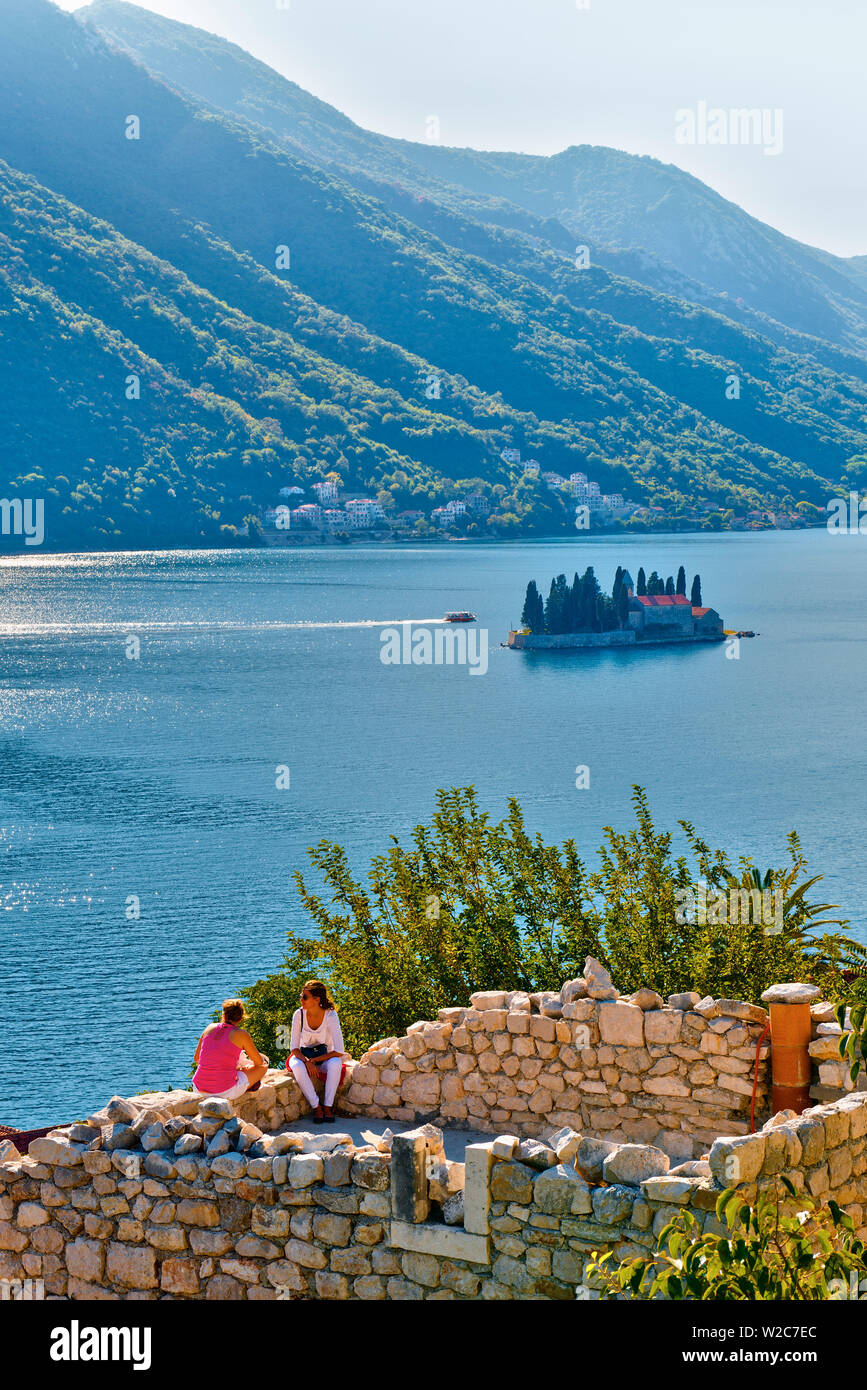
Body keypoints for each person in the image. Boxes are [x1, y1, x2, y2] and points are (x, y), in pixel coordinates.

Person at [285, 980, 347, 1124]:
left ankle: (327, 1106)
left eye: (304, 997)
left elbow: (339, 1050)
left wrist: (314, 1061)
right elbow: (293, 1048)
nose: (301, 999)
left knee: (336, 1063)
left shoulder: (330, 1015)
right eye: (301, 995)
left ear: (316, 999)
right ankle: (316, 1107)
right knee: (297, 1066)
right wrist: (307, 1061)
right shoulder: (298, 1015)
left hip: (324, 1057)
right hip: (302, 1056)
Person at [193, 999, 269, 1099]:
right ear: (241, 1018)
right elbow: (259, 1062)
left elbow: (197, 1058)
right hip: (224, 1091)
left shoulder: (209, 1027)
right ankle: (247, 1086)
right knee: (264, 1065)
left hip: (198, 1088)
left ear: (224, 1015)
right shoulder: (241, 1034)